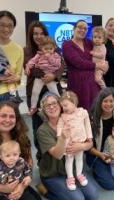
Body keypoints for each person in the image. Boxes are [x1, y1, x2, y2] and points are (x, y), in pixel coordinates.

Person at [37, 92, 98, 200]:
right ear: (43, 110)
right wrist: (63, 137)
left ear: (60, 104)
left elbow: (90, 144)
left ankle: (71, 181)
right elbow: (58, 154)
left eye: (54, 103)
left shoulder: (72, 118)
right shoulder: (42, 130)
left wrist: (81, 146)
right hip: (53, 173)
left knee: (93, 196)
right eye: (47, 105)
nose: (51, 106)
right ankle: (45, 191)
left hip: (72, 168)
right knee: (78, 199)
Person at [23, 21, 64, 163]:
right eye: (35, 33)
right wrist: (45, 73)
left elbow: (61, 65)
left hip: (53, 88)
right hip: (36, 91)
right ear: (31, 35)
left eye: (41, 33)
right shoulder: (27, 51)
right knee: (38, 126)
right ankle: (42, 159)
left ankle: (59, 156)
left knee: (57, 123)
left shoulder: (54, 48)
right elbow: (30, 69)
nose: (38, 36)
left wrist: (53, 76)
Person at [62, 20, 106, 110]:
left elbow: (101, 53)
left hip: (93, 84)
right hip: (77, 84)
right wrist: (97, 65)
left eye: (85, 28)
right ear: (74, 29)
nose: (82, 30)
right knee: (78, 112)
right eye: (80, 27)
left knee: (94, 112)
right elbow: (78, 63)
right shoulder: (67, 45)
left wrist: (104, 64)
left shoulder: (89, 42)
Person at [57, 91, 92, 190]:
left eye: (66, 105)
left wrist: (89, 136)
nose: (64, 108)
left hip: (80, 141)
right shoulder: (63, 116)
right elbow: (59, 126)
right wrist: (60, 136)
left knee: (79, 158)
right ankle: (70, 177)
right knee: (69, 159)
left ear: (74, 102)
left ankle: (79, 174)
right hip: (69, 142)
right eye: (62, 106)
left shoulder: (83, 112)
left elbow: (87, 124)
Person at [25, 36, 62, 115]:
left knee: (55, 92)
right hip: (40, 78)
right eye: (46, 49)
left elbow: (58, 65)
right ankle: (33, 107)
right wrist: (28, 66)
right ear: (41, 48)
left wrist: (49, 58)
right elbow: (32, 61)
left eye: (50, 49)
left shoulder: (56, 55)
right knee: (35, 92)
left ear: (54, 47)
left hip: (50, 77)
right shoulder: (39, 55)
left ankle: (61, 104)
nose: (48, 51)